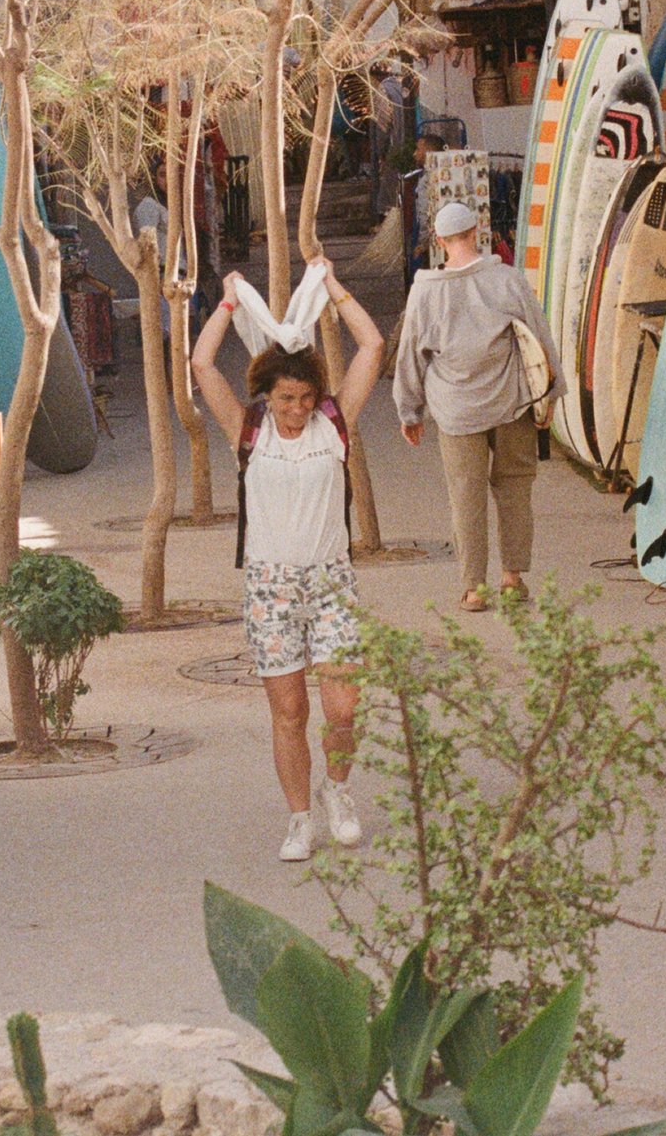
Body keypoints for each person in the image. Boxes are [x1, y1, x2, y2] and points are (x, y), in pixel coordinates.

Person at [190, 256, 386, 862]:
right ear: (266, 396)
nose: (296, 409)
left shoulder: (336, 423)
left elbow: (372, 344)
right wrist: (227, 302)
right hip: (270, 591)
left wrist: (332, 287)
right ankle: (300, 819)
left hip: (331, 584)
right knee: (289, 709)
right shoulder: (248, 429)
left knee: (344, 707)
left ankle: (339, 791)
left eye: (304, 397)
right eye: (285, 398)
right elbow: (201, 365)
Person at [393, 201, 556, 612]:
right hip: (510, 402)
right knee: (515, 487)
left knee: (465, 495)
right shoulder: (506, 279)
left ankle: (472, 589)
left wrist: (408, 411)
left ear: (439, 240)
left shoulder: (426, 290)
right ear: (477, 231)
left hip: (456, 411)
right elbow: (539, 336)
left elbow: (410, 353)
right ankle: (512, 578)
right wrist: (549, 394)